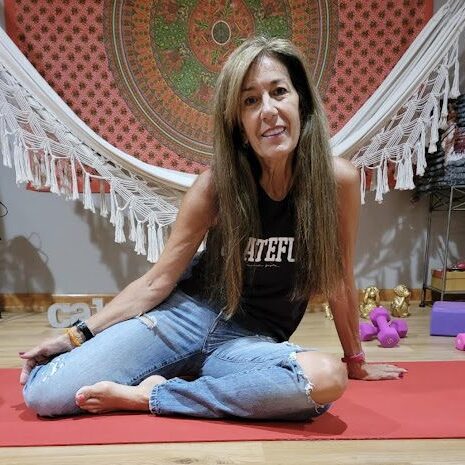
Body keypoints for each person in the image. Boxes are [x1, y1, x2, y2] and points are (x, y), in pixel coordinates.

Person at [20, 36, 406, 420]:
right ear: (239, 124)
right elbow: (157, 282)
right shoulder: (215, 186)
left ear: (300, 102)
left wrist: (355, 361)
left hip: (248, 343)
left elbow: (339, 276)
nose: (268, 110)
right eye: (250, 101)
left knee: (326, 379)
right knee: (45, 395)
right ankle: (194, 382)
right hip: (184, 318)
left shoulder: (337, 181)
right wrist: (74, 336)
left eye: (278, 92)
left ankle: (152, 395)